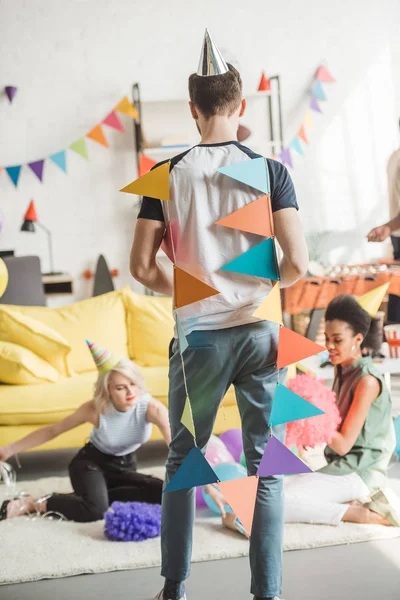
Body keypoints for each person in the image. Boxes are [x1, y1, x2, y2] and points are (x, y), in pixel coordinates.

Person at [130, 30, 308, 600]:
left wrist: (189, 290)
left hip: (199, 340)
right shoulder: (271, 170)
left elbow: (140, 266)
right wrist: (250, 286)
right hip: (258, 335)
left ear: (193, 109)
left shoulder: (166, 174)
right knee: (267, 469)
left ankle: (174, 590)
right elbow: (299, 263)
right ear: (240, 106)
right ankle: (267, 593)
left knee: (184, 461)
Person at [209, 295, 399, 531]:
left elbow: (343, 445)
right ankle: (343, 502)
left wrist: (311, 414)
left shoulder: (368, 381)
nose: (329, 346)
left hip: (362, 473)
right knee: (272, 489)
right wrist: (308, 430)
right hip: (341, 468)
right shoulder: (344, 370)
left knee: (276, 500)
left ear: (358, 339)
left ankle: (360, 514)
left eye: (337, 340)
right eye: (327, 339)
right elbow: (334, 430)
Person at [0, 340, 170, 522]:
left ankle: (92, 497)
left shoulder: (152, 409)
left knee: (165, 495)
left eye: (133, 384)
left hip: (125, 466)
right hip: (90, 464)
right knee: (95, 511)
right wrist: (8, 450)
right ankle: (33, 503)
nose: (130, 392)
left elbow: (178, 446)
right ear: (108, 392)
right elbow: (53, 430)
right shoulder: (95, 409)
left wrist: (205, 483)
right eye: (120, 387)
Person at [367, 132, 400, 322]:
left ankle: (393, 341)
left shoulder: (394, 157)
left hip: (396, 236)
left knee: (397, 289)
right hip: (396, 233)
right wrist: (388, 227)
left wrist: (388, 227)